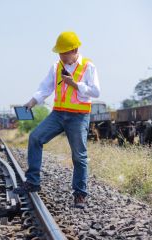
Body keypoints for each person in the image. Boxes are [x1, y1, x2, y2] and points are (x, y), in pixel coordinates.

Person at [13, 31, 101, 209]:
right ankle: (32, 181)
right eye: (59, 52)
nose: (61, 56)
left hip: (79, 116)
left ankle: (80, 194)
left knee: (79, 156)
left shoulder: (88, 66)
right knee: (35, 137)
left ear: (75, 50)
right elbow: (44, 88)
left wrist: (75, 84)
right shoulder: (56, 67)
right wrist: (31, 102)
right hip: (58, 114)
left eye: (64, 52)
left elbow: (96, 91)